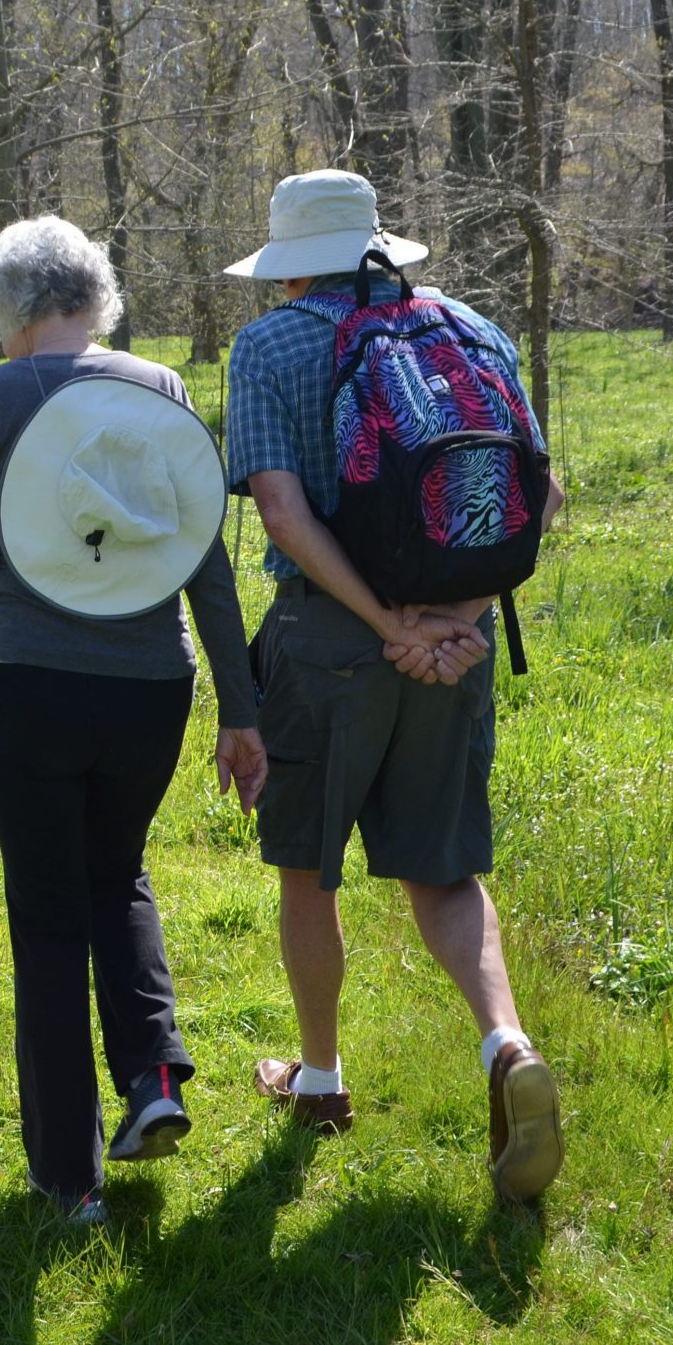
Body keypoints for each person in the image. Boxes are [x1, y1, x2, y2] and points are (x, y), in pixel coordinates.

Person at [222, 169, 566, 1202]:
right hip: (458, 640)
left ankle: (319, 1079)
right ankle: (505, 1046)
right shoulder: (471, 326)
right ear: (377, 242)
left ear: (287, 263)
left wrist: (383, 629)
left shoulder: (270, 344)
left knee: (306, 867)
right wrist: (449, 626)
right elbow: (542, 493)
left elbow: (281, 513)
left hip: (328, 641)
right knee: (445, 869)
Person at [0, 216, 268, 1224]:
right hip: (150, 687)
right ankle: (154, 1078)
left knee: (44, 916)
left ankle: (68, 1180)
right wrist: (237, 711)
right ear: (94, 299)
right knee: (116, 871)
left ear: (10, 309)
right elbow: (204, 559)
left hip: (32, 683)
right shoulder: (159, 388)